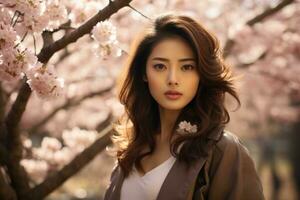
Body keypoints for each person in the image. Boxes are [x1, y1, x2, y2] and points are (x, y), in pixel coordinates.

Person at [104, 13, 265, 200]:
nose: (173, 79)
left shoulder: (223, 151)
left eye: (187, 67)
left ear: (201, 74)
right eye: (160, 67)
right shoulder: (131, 148)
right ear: (144, 73)